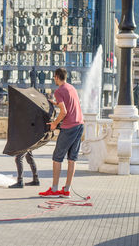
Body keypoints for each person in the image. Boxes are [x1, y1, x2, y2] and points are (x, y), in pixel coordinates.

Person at [39, 67, 84, 198]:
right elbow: (70, 105)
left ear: (57, 77)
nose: (54, 79)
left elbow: (64, 112)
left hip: (69, 127)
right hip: (80, 125)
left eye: (54, 77)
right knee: (72, 159)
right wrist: (57, 103)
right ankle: (67, 190)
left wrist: (54, 124)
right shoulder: (71, 88)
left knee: (57, 158)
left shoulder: (59, 91)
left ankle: (54, 189)